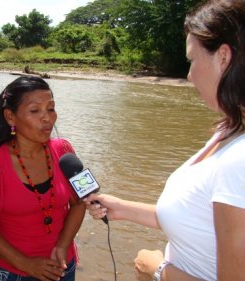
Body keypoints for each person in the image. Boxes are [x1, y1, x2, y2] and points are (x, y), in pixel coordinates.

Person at [85, 1, 245, 281]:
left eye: (192, 60)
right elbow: (197, 218)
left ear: (222, 57)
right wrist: (121, 208)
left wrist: (159, 271)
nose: (189, 75)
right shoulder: (228, 131)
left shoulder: (238, 160)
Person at [0, 76, 86, 281]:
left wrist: (62, 244)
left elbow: (78, 203)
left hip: (61, 266)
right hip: (13, 272)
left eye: (51, 109)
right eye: (35, 111)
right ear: (10, 117)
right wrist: (26, 264)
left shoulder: (64, 150)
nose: (47, 118)